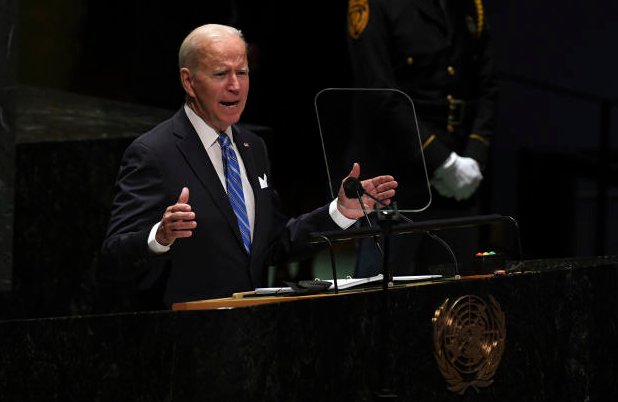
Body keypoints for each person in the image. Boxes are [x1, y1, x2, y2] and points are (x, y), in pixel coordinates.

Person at [99, 24, 398, 309]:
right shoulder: (153, 153)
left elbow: (274, 243)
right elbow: (113, 256)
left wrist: (341, 212)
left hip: (249, 335)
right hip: (182, 337)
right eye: (220, 74)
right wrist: (159, 236)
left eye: (242, 72)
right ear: (188, 81)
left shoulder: (253, 147)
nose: (235, 85)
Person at [346, 0, 498, 277]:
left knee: (458, 300)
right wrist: (441, 161)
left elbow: (487, 86)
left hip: (458, 180)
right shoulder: (376, 5)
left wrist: (473, 156)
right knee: (379, 296)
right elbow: (378, 91)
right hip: (395, 176)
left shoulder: (469, 6)